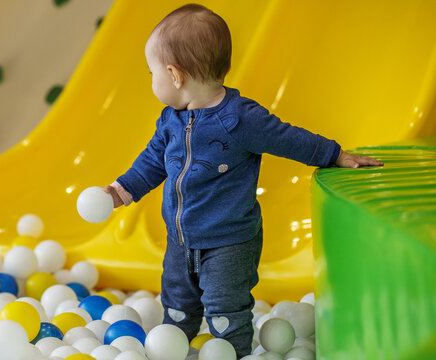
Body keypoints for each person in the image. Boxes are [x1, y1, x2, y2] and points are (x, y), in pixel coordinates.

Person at [103, 4, 383, 358]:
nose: (152, 80)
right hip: (180, 240)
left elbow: (288, 138)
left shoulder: (240, 118)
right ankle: (174, 346)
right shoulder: (170, 120)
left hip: (229, 243)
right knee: (177, 305)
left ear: (174, 75)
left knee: (225, 309)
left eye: (151, 72)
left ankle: (232, 351)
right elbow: (151, 162)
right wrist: (120, 191)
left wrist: (334, 154)